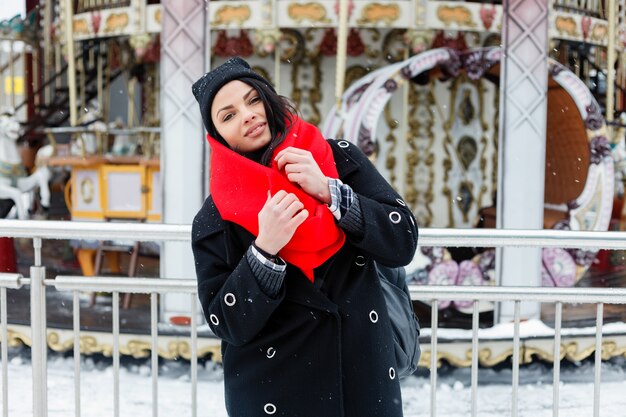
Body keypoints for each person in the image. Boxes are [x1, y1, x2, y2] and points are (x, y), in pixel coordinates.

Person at [191, 57, 418, 417]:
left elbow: (402, 238)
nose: (247, 115)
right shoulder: (216, 214)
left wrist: (334, 193)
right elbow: (225, 321)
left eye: (252, 101)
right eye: (228, 115)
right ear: (217, 136)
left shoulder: (338, 159)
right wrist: (264, 251)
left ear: (269, 99)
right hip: (276, 390)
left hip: (361, 377)